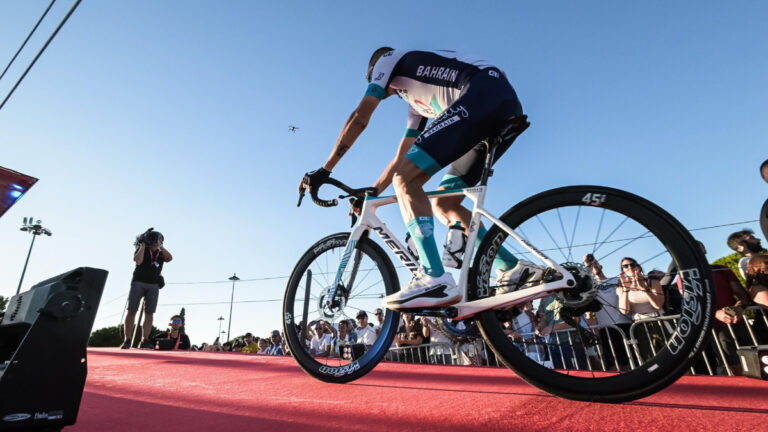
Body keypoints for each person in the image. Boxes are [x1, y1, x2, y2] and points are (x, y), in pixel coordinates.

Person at [299, 47, 543, 310]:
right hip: (498, 106)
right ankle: (513, 268)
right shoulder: (417, 107)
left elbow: (360, 117)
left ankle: (434, 277)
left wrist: (325, 170)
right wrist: (372, 192)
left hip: (480, 92)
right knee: (445, 203)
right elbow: (400, 160)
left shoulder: (388, 60)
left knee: (406, 180)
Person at [122, 228, 173, 349]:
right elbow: (138, 261)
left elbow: (169, 258)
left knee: (149, 312)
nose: (157, 240)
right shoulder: (142, 250)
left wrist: (161, 246)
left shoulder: (161, 254)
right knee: (132, 310)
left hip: (154, 284)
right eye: (155, 238)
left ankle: (145, 340)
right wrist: (143, 245)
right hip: (138, 282)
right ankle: (127, 340)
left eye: (160, 238)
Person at [584, 254, 632, 370]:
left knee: (631, 361)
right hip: (606, 327)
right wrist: (587, 266)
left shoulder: (617, 280)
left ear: (601, 266)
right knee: (614, 365)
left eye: (596, 264)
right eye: (591, 266)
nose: (594, 266)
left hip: (626, 323)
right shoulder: (591, 286)